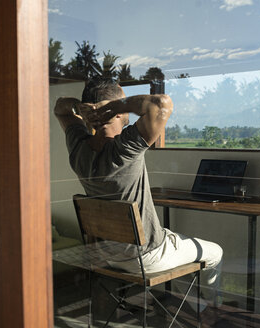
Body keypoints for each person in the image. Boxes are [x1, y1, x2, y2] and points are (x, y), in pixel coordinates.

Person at [54, 78, 222, 309]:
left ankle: (191, 306)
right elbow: (161, 104)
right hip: (146, 257)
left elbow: (60, 108)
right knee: (214, 253)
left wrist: (80, 108)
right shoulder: (124, 150)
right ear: (115, 112)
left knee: (178, 242)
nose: (127, 110)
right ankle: (210, 311)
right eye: (121, 103)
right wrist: (117, 105)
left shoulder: (79, 149)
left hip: (106, 254)